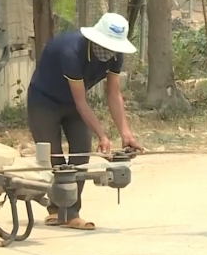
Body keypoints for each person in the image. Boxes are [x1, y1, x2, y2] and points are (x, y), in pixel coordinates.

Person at [26, 12, 143, 231]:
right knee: (55, 156)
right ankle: (58, 210)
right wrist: (103, 135)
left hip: (72, 105)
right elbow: (81, 101)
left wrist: (126, 134)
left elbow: (113, 94)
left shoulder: (115, 55)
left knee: (81, 152)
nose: (108, 52)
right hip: (44, 102)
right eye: (105, 45)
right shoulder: (71, 51)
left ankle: (70, 212)